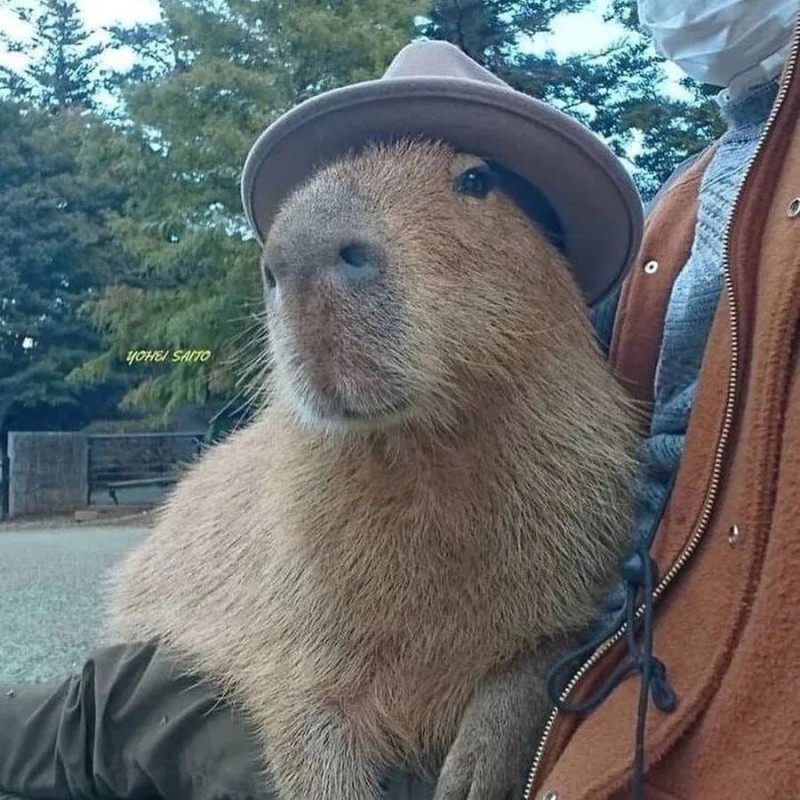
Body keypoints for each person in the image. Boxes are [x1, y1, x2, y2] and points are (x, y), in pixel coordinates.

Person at [2, 0, 799, 797]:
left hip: (642, 716)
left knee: (106, 721)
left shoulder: (585, 387)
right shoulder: (689, 211)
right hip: (215, 665)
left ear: (548, 250)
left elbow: (569, 614)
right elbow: (309, 691)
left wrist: (517, 695)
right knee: (103, 711)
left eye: (471, 182)